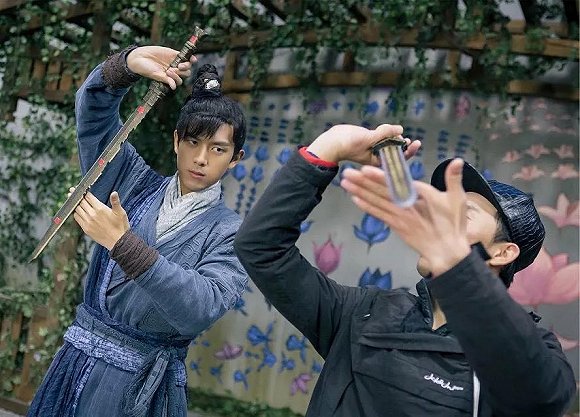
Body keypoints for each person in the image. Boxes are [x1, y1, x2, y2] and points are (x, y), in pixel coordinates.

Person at [233, 123, 576, 417]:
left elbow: (542, 399)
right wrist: (331, 144)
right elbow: (261, 248)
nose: (438, 218)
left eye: (461, 214)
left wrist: (458, 268)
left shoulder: (528, 348)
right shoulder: (362, 312)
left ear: (502, 252)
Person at [28, 45, 248, 417]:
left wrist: (123, 244)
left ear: (235, 158)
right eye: (193, 142)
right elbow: (94, 116)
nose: (200, 158)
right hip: (75, 365)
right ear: (176, 141)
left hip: (140, 389)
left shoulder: (231, 233)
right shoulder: (132, 183)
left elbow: (202, 306)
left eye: (217, 149)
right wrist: (126, 65)